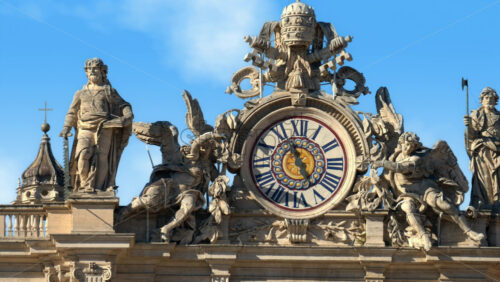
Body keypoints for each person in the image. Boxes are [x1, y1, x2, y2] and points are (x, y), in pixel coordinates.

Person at [373, 132, 484, 251]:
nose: (409, 148)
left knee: (444, 204)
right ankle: (423, 236)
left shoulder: (416, 159)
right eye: (407, 145)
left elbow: (401, 168)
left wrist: (381, 163)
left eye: (412, 146)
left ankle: (469, 232)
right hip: (407, 195)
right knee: (408, 207)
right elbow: (384, 179)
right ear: (401, 144)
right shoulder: (394, 157)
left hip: (425, 190)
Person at [60, 58, 133, 192]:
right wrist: (66, 127)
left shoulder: (109, 91)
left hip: (105, 126)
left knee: (102, 157)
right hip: (85, 127)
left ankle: (99, 188)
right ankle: (84, 186)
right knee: (82, 154)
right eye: (89, 69)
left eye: (95, 69)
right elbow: (71, 112)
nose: (92, 71)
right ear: (86, 73)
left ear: (102, 72)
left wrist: (127, 114)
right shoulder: (80, 93)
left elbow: (124, 105)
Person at [464, 87, 500, 208]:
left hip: (498, 151)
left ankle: (497, 202)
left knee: (497, 177)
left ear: (496, 100)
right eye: (486, 98)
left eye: (491, 98)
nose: (489, 100)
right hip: (482, 152)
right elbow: (471, 135)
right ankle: (482, 202)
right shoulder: (476, 115)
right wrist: (468, 126)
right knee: (482, 178)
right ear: (482, 100)